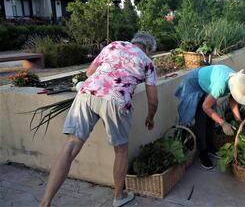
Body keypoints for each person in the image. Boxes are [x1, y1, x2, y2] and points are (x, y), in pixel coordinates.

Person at [39, 32, 159, 207]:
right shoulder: (147, 63)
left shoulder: (113, 45)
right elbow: (154, 101)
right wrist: (150, 117)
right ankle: (118, 197)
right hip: (117, 101)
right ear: (148, 49)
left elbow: (90, 72)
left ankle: (45, 202)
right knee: (121, 151)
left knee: (70, 146)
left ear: (134, 42)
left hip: (87, 93)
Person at [175, 64, 245, 169]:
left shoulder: (237, 80)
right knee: (202, 119)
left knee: (211, 119)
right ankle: (202, 153)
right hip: (194, 83)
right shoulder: (220, 86)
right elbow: (205, 107)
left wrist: (239, 120)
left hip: (207, 84)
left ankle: (211, 147)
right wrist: (223, 123)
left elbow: (233, 102)